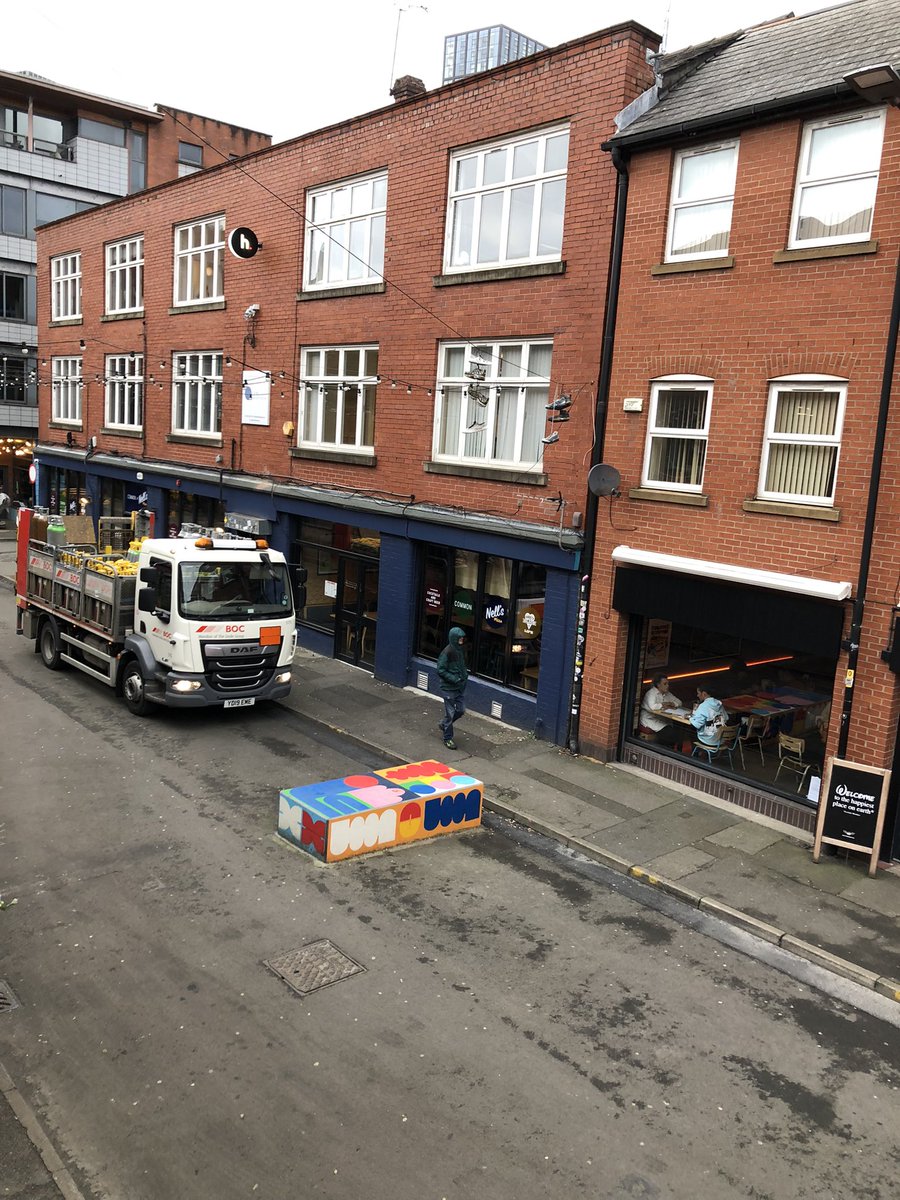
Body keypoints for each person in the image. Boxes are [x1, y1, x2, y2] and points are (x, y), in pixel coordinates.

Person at [436, 626, 469, 750]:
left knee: (460, 710)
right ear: (454, 639)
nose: (461, 641)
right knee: (450, 714)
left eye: (462, 639)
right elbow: (440, 670)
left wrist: (464, 677)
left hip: (459, 687)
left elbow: (461, 666)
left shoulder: (459, 650)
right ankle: (447, 738)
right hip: (449, 688)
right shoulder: (447, 652)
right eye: (459, 639)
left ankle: (443, 724)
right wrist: (455, 679)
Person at [639, 674, 686, 748]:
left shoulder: (668, 694)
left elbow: (679, 702)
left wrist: (672, 703)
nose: (667, 686)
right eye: (665, 684)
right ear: (658, 685)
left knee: (678, 732)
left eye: (668, 684)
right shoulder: (651, 693)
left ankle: (669, 747)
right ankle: (662, 748)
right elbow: (653, 707)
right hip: (651, 719)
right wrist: (662, 704)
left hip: (663, 719)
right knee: (670, 733)